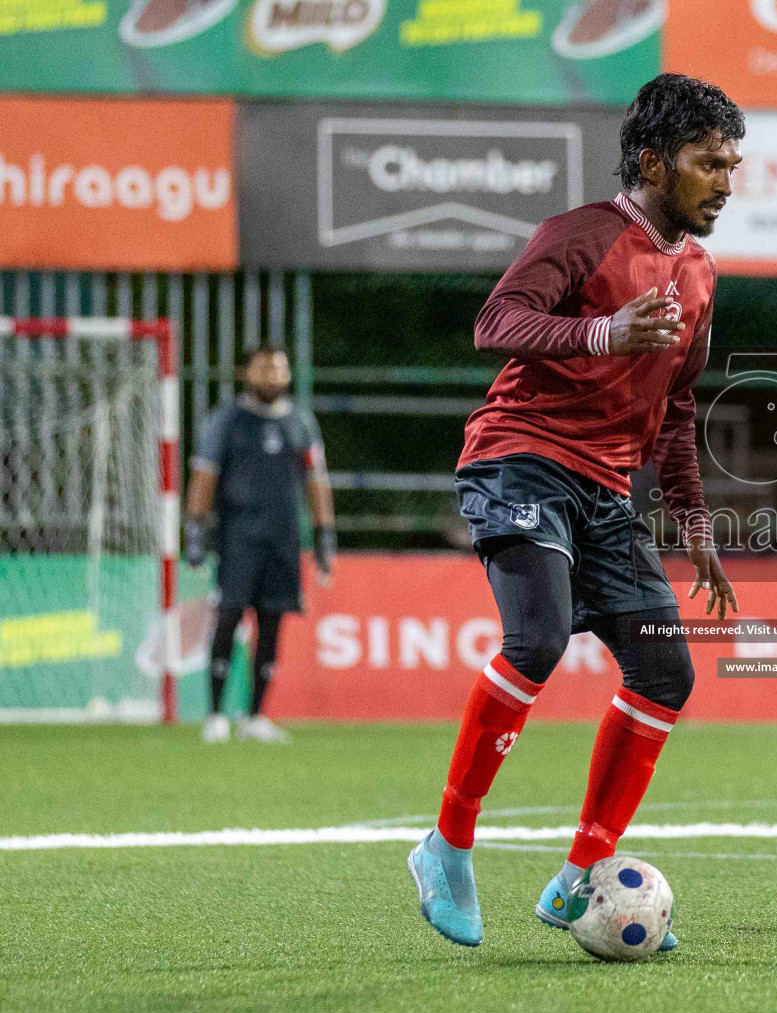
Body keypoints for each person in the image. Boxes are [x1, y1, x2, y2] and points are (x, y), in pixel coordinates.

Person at [407, 73, 743, 951]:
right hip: (518, 454)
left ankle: (577, 873)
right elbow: (497, 321)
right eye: (710, 163)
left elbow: (674, 411)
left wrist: (695, 527)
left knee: (666, 673)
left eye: (733, 164)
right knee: (539, 639)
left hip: (608, 489)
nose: (727, 181)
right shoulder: (581, 235)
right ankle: (446, 845)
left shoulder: (700, 276)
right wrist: (603, 331)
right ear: (652, 162)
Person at [186, 344, 336, 744]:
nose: (273, 377)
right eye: (264, 369)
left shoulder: (300, 422)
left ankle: (255, 716)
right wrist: (195, 532)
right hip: (238, 538)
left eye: (280, 370)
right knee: (229, 617)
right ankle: (216, 714)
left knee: (272, 624)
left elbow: (317, 481)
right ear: (246, 373)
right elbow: (204, 476)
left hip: (284, 539)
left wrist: (324, 537)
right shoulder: (227, 421)